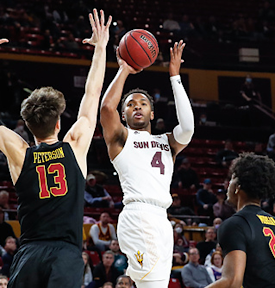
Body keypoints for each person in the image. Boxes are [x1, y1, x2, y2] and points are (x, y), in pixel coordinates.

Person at [0, 10, 111, 287]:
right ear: (59, 123)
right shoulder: (75, 145)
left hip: (29, 254)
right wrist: (101, 48)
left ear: (27, 125)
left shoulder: (19, 154)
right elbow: (92, 94)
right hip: (66, 255)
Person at [100, 37, 193, 287]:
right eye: (130, 105)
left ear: (153, 113)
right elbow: (107, 109)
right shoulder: (121, 138)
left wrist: (175, 77)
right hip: (139, 215)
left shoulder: (168, 141)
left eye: (143, 104)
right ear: (124, 114)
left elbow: (188, 128)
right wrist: (124, 70)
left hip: (162, 219)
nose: (137, 107)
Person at [205, 153, 275, 288]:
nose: (227, 185)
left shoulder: (234, 224)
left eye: (231, 179)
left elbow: (233, 281)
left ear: (238, 186)